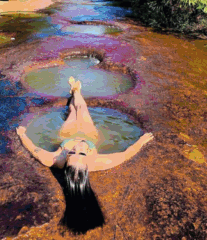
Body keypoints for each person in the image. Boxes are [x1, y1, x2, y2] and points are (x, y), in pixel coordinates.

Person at [16, 76, 154, 197]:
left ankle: (75, 91)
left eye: (71, 153)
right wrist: (141, 141)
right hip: (90, 135)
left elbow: (34, 150)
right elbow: (125, 154)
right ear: (87, 164)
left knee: (72, 112)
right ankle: (76, 91)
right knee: (82, 109)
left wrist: (22, 134)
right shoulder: (99, 162)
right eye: (81, 153)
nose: (78, 146)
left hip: (67, 134)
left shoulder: (54, 159)